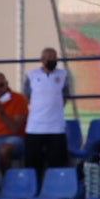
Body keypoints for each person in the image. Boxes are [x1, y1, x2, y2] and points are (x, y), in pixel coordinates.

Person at [23, 47, 71, 176]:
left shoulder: (63, 75)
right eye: (50, 57)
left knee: (57, 162)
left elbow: (65, 96)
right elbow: (26, 97)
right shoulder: (31, 76)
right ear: (42, 59)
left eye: (55, 57)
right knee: (33, 163)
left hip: (56, 127)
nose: (53, 60)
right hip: (35, 127)